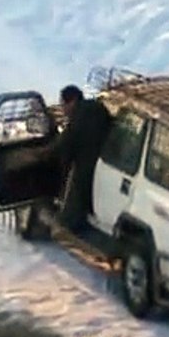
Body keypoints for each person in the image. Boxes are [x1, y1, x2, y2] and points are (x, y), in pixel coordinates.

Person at [44, 84, 113, 233]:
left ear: (73, 101)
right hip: (108, 161)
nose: (63, 109)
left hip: (88, 165)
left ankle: (71, 227)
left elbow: (66, 145)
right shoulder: (97, 107)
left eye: (64, 104)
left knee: (76, 193)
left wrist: (50, 156)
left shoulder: (78, 118)